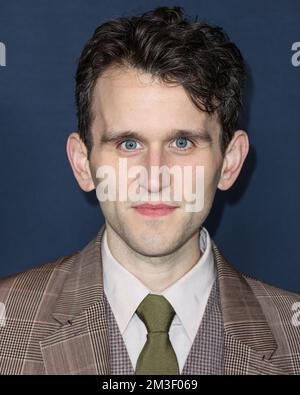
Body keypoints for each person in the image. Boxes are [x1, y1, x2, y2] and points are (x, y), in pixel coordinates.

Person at [0, 6, 299, 375]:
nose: (154, 177)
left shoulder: (294, 340)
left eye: (183, 143)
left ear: (230, 162)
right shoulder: (6, 326)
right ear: (83, 163)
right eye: (128, 144)